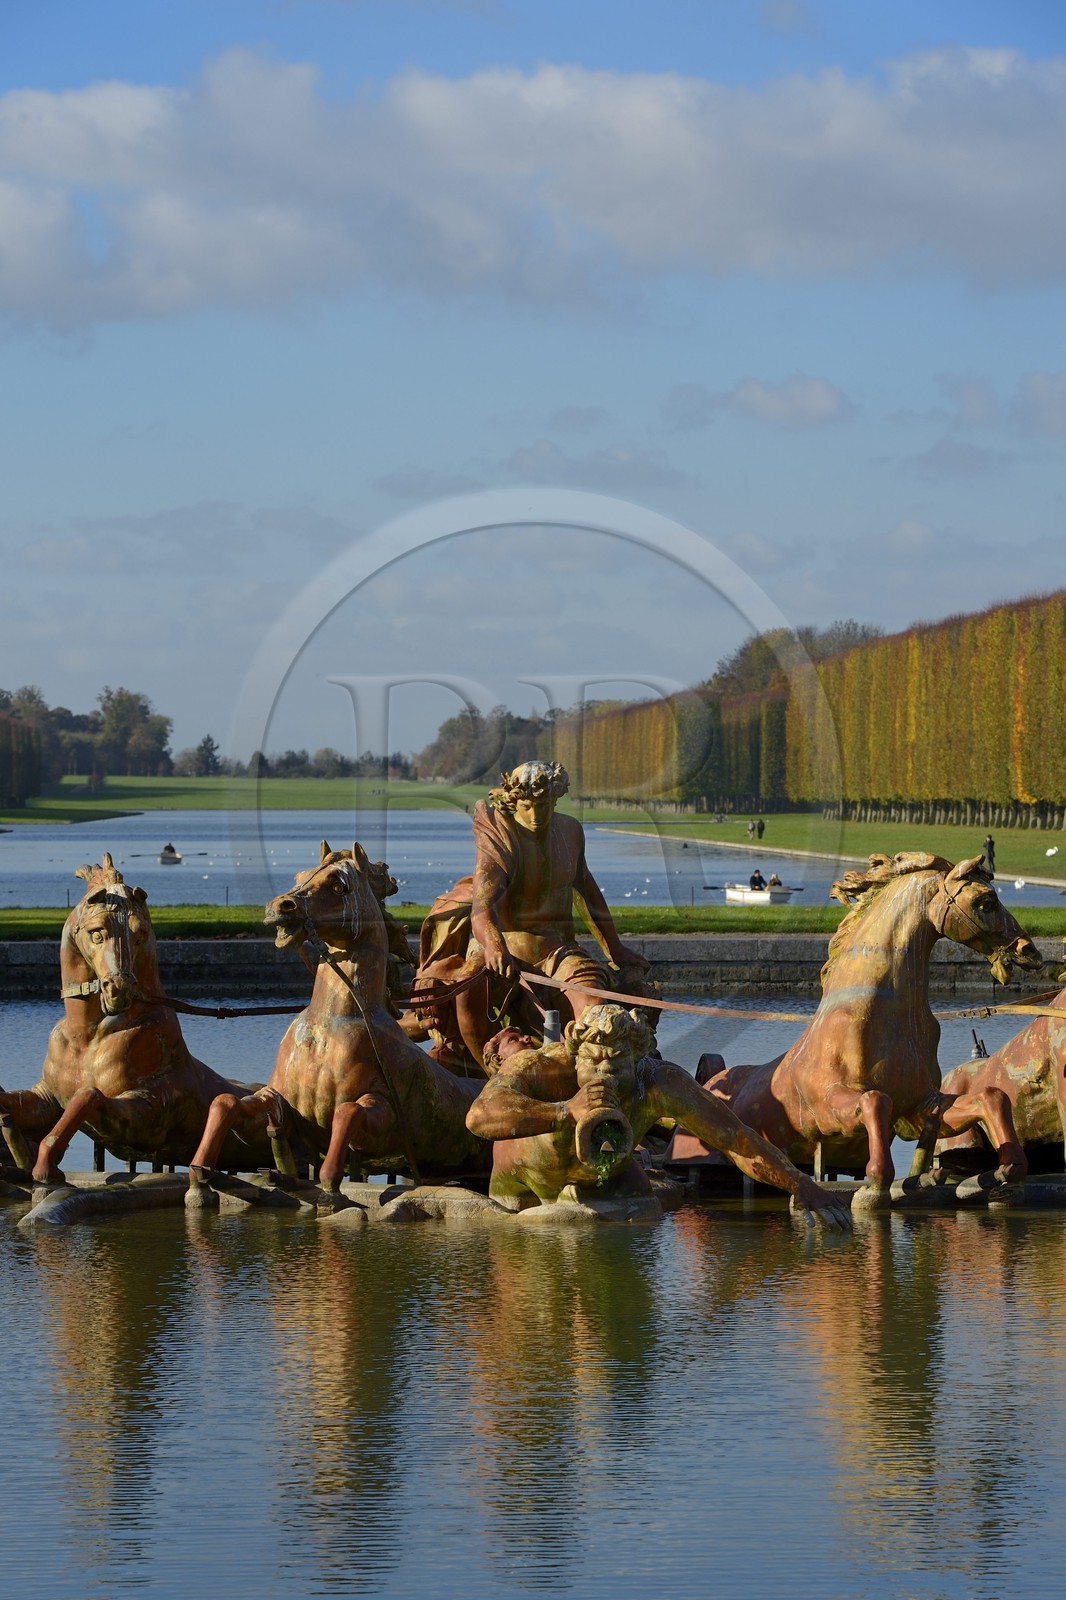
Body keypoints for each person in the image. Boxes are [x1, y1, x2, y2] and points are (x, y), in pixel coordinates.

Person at [466, 1003, 851, 1227]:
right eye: (593, 1063)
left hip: (607, 1180)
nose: (603, 1074)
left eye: (616, 1064)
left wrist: (800, 1184)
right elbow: (479, 1117)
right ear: (574, 1056)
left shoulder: (658, 1080)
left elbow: (735, 1139)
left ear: (639, 1059)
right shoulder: (544, 1067)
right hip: (526, 1186)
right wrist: (565, 1110)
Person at [411, 760, 652, 1068]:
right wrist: (494, 947)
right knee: (469, 992)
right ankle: (493, 1075)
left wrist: (614, 947)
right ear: (514, 802)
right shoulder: (502, 836)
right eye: (527, 805)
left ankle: (586, 1076)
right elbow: (482, 908)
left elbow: (588, 893)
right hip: (505, 946)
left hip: (559, 950)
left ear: (556, 798)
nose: (537, 815)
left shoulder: (570, 832)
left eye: (545, 805)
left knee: (593, 1005)